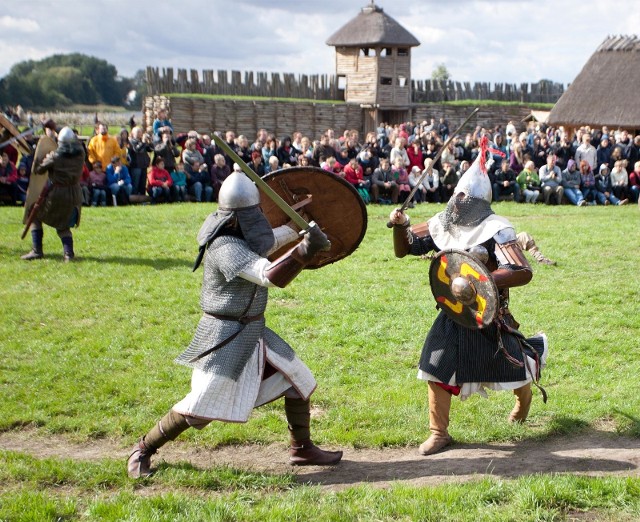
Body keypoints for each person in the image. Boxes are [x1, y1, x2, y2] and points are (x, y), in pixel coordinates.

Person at [127, 172, 343, 478]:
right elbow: (267, 274)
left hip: (255, 330)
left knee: (300, 380)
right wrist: (305, 250)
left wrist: (298, 228)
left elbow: (274, 238)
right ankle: (143, 449)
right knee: (200, 407)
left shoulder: (247, 236)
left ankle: (302, 449)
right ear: (238, 217)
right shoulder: (224, 246)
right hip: (225, 336)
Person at [388, 142, 547, 456]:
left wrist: (480, 280)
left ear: (478, 202)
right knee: (435, 363)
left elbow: (521, 270)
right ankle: (439, 432)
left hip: (488, 311)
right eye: (456, 198)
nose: (458, 205)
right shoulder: (443, 222)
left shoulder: (496, 228)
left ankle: (523, 399)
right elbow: (404, 247)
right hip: (452, 309)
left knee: (510, 364)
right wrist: (400, 226)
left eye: (465, 199)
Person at [21, 127, 85, 261]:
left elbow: (38, 169)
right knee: (64, 225)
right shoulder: (81, 154)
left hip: (58, 194)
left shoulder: (55, 157)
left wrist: (41, 157)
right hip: (75, 194)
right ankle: (68, 254)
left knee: (34, 215)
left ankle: (37, 250)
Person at [128, 127, 154, 195]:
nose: (139, 133)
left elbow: (151, 149)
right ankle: (134, 198)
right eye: (138, 132)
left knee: (142, 184)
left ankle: (142, 198)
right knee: (135, 184)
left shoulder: (142, 142)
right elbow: (137, 149)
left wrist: (150, 142)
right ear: (133, 133)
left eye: (140, 132)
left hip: (143, 166)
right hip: (136, 166)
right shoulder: (131, 141)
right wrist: (143, 142)